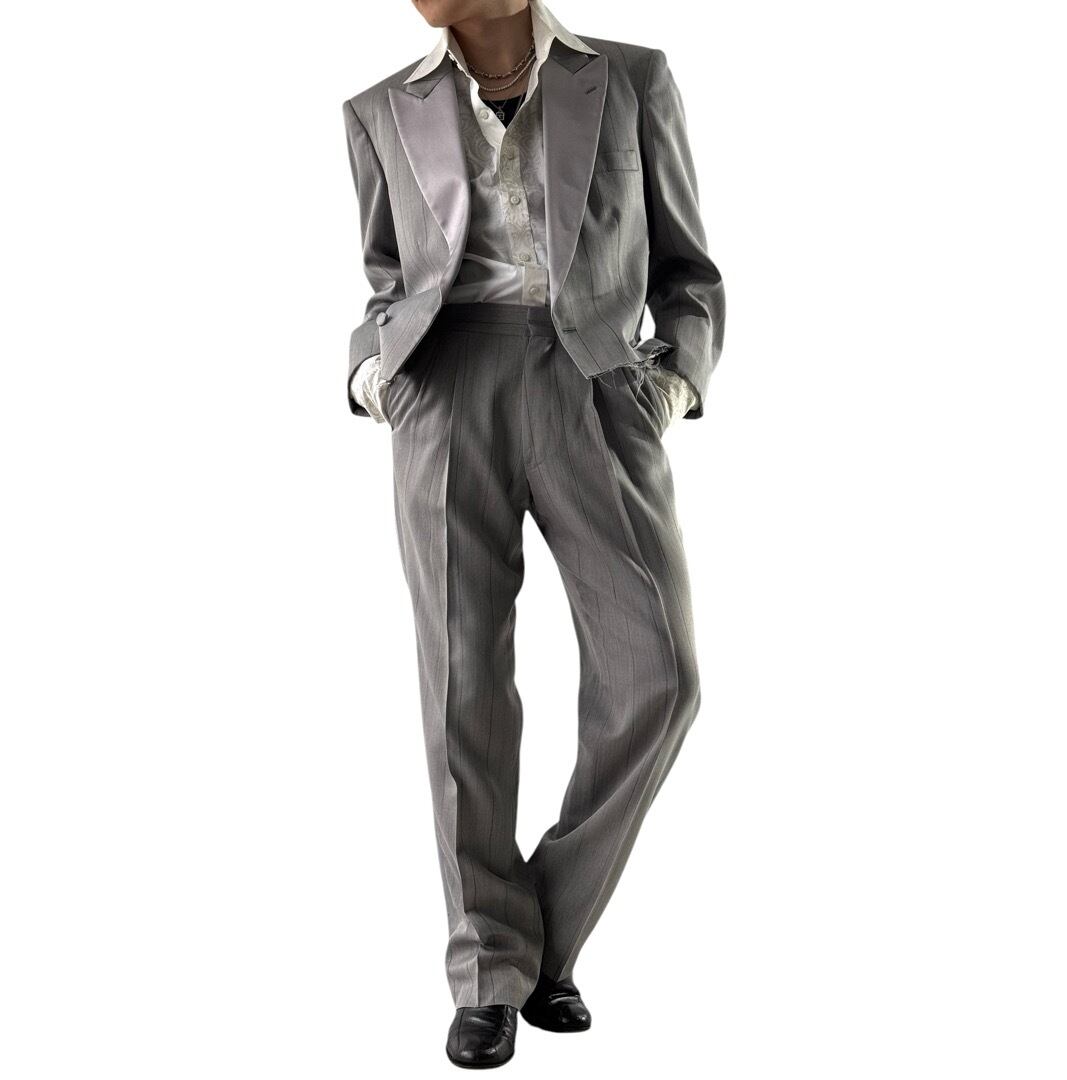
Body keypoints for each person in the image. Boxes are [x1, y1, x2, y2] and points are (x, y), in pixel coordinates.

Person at [341, 0, 724, 1067]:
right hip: (446, 384)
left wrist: (670, 384)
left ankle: (531, 940)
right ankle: (488, 975)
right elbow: (387, 279)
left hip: (596, 386)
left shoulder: (632, 78)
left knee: (660, 677)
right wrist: (374, 375)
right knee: (462, 684)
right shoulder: (378, 109)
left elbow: (689, 272)